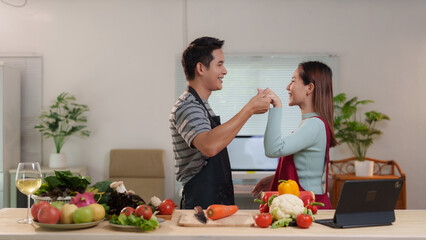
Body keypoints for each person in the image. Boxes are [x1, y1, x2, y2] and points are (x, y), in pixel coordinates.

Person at [170, 36, 272, 209]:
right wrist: (249, 109)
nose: (224, 71)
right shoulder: (187, 106)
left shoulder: (202, 106)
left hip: (215, 201)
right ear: (201, 68)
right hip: (201, 206)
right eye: (219, 64)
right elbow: (209, 146)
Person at [252, 61, 337, 209]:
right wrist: (275, 179)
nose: (287, 87)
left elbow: (273, 149)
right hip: (307, 203)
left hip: (310, 205)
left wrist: (277, 106)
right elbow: (308, 170)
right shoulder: (311, 123)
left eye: (292, 81)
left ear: (309, 88)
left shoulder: (314, 125)